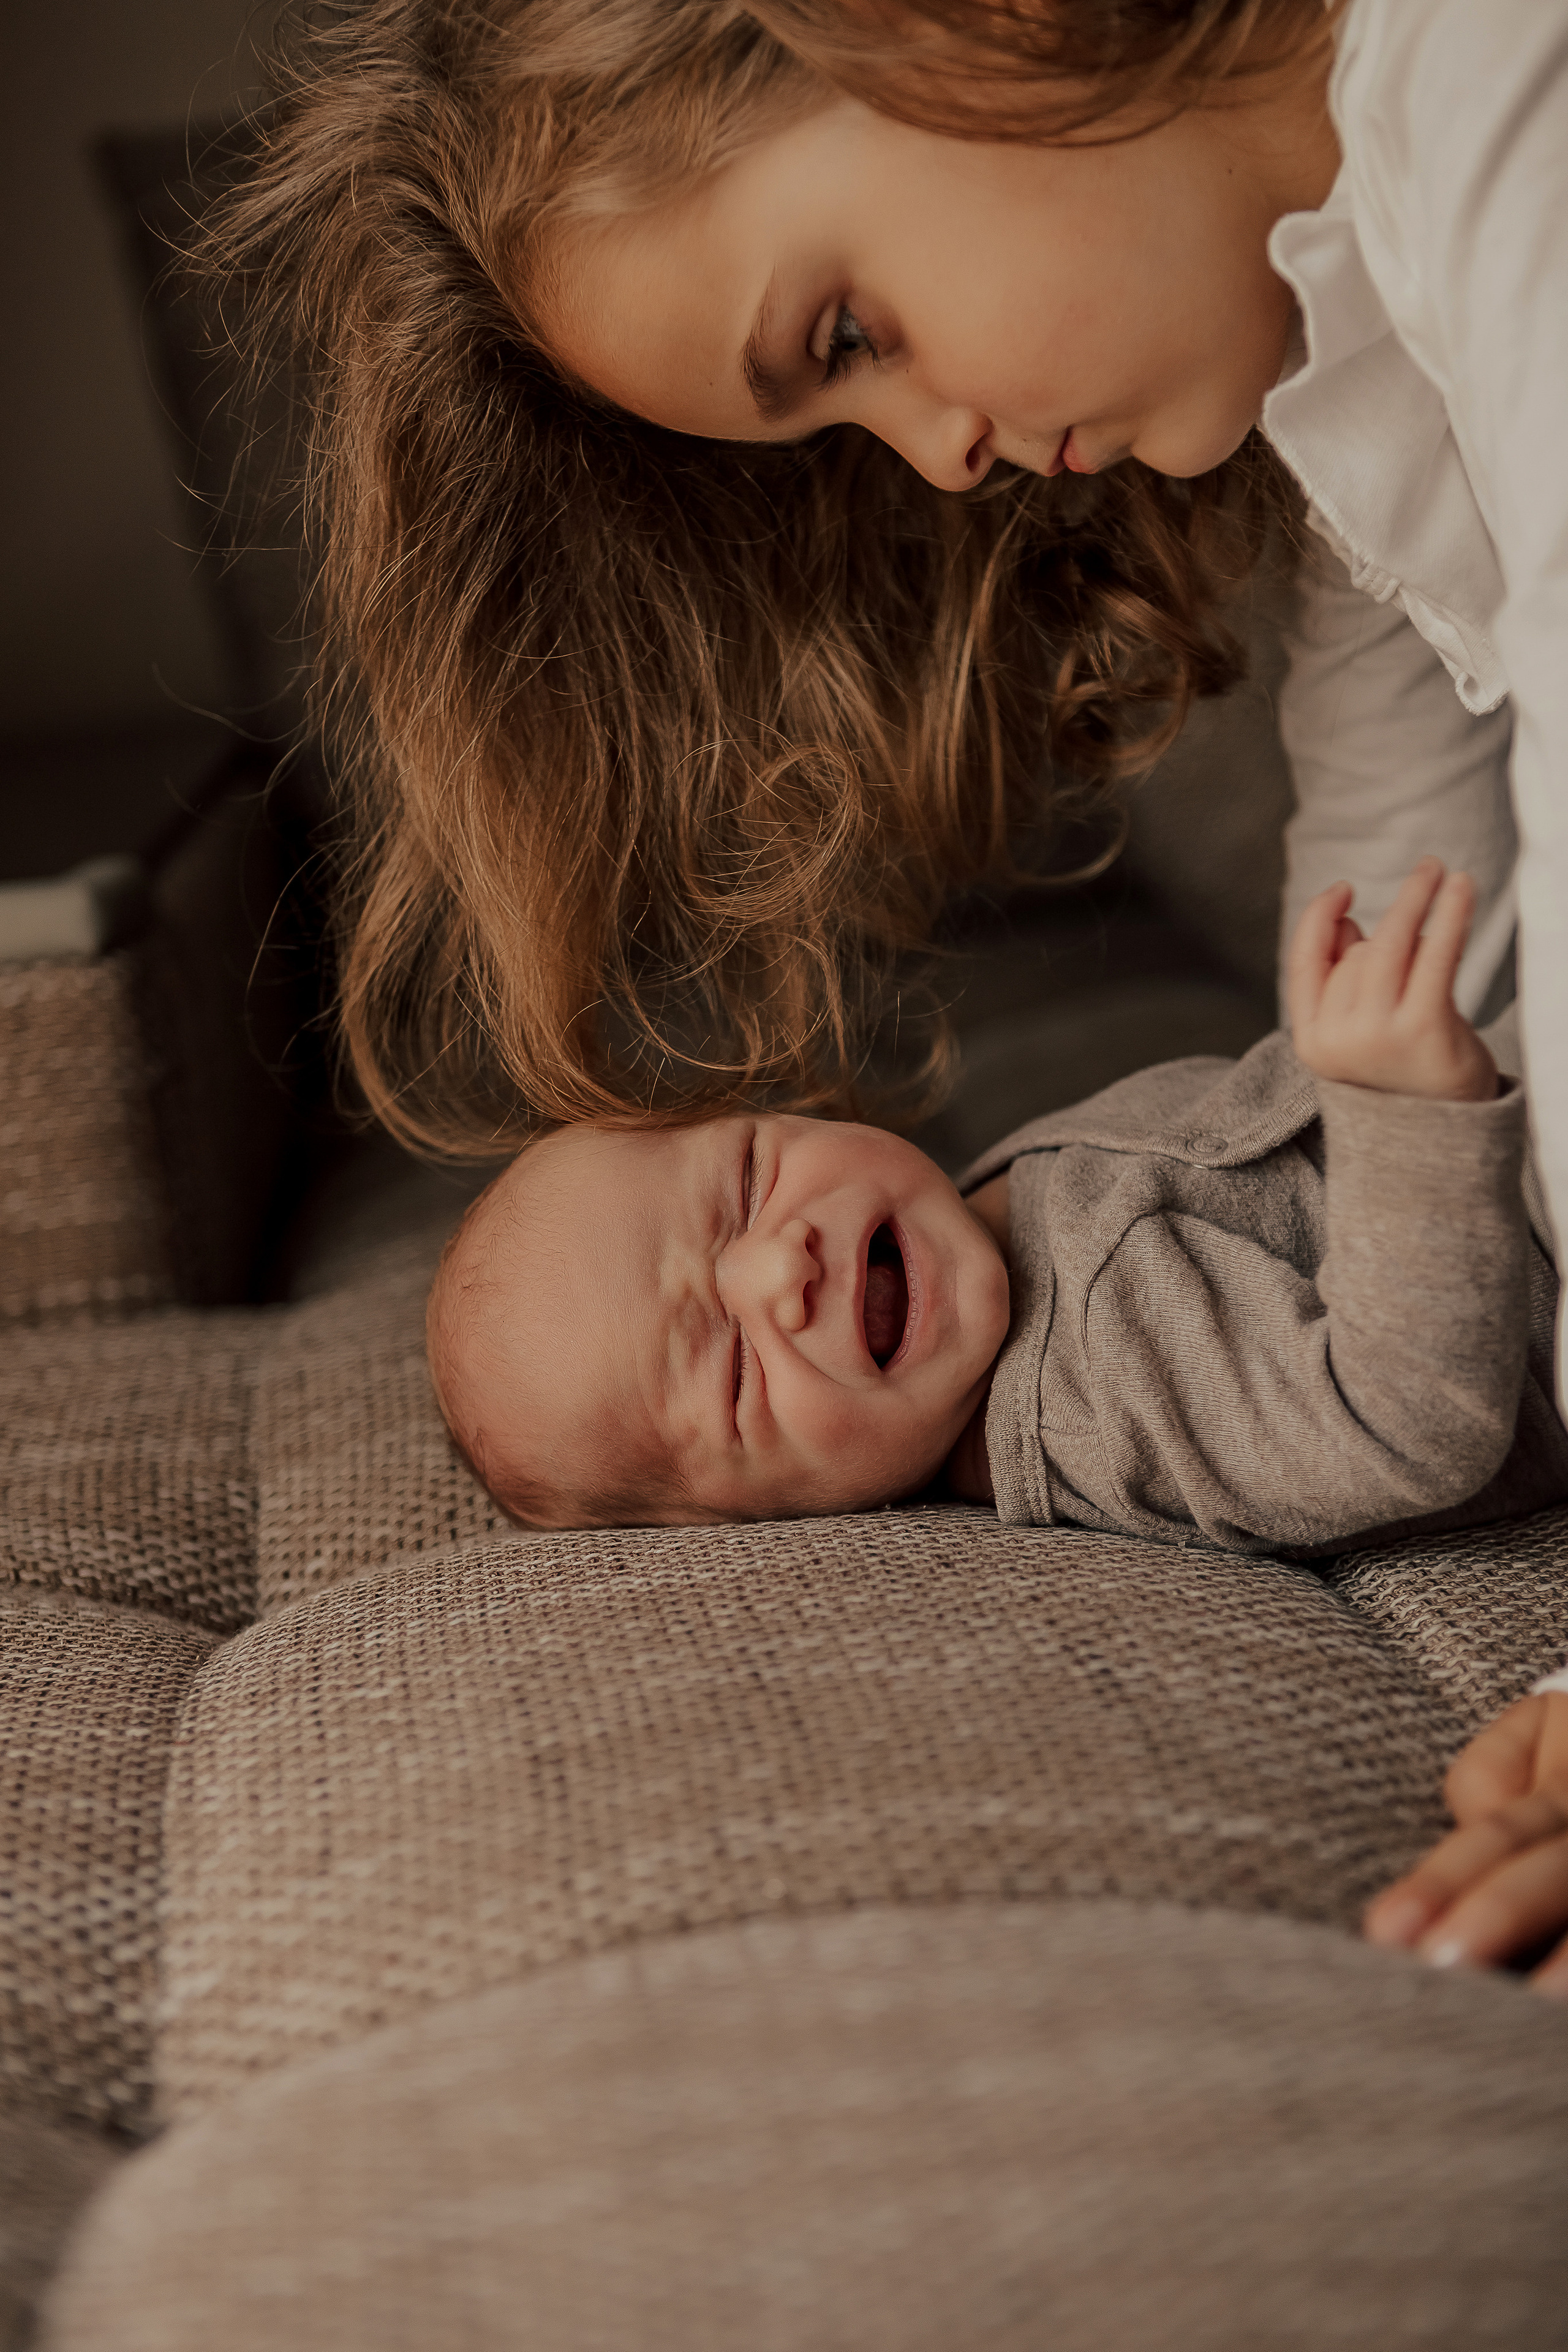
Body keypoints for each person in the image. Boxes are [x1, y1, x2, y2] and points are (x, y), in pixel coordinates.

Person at [428, 861, 1568, 1994]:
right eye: (731, 1370)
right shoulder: (1099, 1394)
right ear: (760, 1521)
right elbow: (1403, 1419)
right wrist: (1408, 1119)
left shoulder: (988, 1206)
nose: (783, 1265)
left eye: (745, 1181)